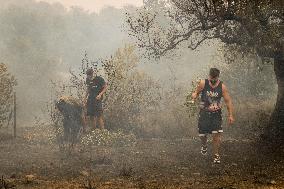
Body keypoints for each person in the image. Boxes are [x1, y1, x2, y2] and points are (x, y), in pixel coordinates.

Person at [191, 68, 235, 164]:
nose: (213, 80)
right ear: (209, 76)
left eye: (215, 78)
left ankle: (216, 155)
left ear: (218, 77)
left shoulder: (222, 87)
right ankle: (204, 145)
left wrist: (230, 115)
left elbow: (228, 101)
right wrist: (194, 95)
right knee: (202, 135)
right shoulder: (203, 83)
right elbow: (196, 92)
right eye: (211, 77)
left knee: (216, 136)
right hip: (204, 113)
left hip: (216, 114)